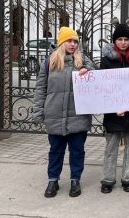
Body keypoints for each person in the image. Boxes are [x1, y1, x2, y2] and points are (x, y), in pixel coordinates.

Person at [32, 26, 96, 198]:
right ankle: (53, 180)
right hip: (54, 115)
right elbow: (41, 88)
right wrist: (38, 111)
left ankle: (75, 180)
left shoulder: (83, 60)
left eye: (75, 41)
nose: (73, 44)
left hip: (78, 115)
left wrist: (88, 72)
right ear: (62, 43)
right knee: (55, 150)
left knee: (77, 150)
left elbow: (97, 79)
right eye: (69, 41)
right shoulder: (50, 62)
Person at [99, 24, 129, 194]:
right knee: (111, 147)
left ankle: (128, 178)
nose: (123, 42)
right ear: (114, 41)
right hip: (113, 112)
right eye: (119, 39)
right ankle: (108, 179)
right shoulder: (106, 61)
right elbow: (102, 87)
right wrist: (114, 109)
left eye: (126, 39)